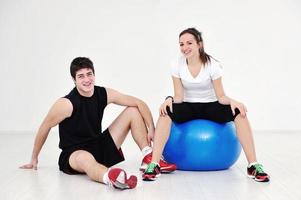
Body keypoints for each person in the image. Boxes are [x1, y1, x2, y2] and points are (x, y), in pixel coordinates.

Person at [19, 57, 173, 190]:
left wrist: (151, 128)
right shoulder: (66, 104)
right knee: (85, 159)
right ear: (74, 80)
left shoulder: (102, 93)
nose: (87, 80)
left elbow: (139, 103)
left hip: (99, 146)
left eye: (89, 74)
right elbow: (45, 126)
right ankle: (111, 178)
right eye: (81, 76)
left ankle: (148, 155)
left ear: (94, 74)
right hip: (74, 153)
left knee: (132, 110)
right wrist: (34, 158)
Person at [142, 28, 270, 182]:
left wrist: (233, 102)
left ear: (199, 44)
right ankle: (154, 164)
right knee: (165, 112)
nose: (184, 47)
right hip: (188, 105)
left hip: (210, 105)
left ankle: (253, 165)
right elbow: (179, 96)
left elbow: (221, 96)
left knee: (240, 113)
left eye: (189, 43)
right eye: (181, 44)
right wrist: (169, 99)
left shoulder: (213, 65)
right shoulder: (176, 64)